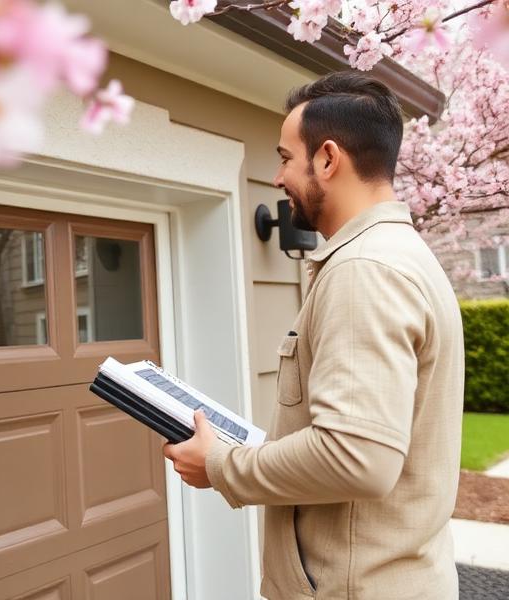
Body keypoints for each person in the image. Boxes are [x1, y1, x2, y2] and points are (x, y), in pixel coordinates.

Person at [163, 71, 464, 599]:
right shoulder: (401, 256)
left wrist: (219, 465)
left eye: (284, 158)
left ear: (327, 159)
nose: (277, 178)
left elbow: (356, 456)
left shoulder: (364, 269)